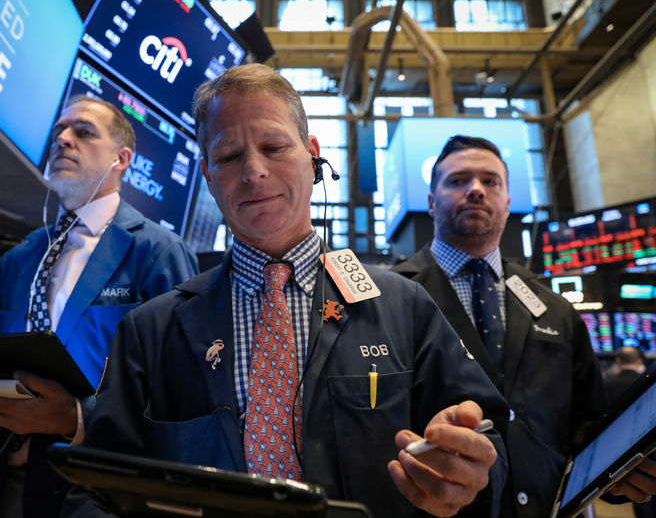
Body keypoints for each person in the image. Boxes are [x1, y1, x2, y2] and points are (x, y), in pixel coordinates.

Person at [64, 64, 510, 518]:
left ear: (312, 154)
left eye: (274, 147)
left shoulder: (403, 306)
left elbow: (490, 440)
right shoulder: (151, 330)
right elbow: (94, 487)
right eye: (229, 157)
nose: (254, 171)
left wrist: (469, 469)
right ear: (208, 175)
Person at [0, 95, 199, 518]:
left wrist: (76, 416)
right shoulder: (19, 259)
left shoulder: (158, 253)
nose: (63, 140)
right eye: (59, 131)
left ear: (122, 158)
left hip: (92, 488)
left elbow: (179, 393)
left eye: (83, 131)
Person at [392, 135, 656, 517]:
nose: (476, 190)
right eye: (457, 180)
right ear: (431, 202)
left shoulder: (555, 308)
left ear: (508, 203)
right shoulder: (391, 297)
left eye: (491, 181)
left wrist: (622, 472)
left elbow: (585, 426)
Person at [604, 346, 656, 518]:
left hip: (619, 455)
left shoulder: (605, 383)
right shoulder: (647, 382)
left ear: (618, 361)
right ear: (640, 361)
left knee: (640, 498)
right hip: (651, 451)